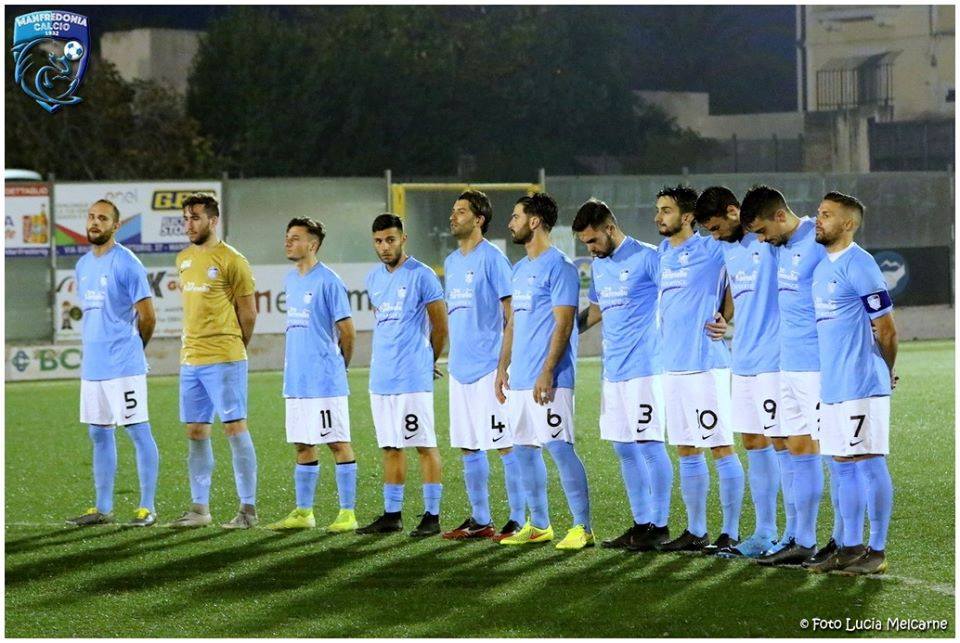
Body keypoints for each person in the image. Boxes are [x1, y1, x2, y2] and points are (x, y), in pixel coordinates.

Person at [572, 198, 673, 551]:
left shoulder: (647, 258)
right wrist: (563, 333)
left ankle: (660, 526)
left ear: (610, 229)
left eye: (593, 240)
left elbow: (677, 296)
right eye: (585, 243)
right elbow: (595, 312)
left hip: (645, 369)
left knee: (650, 446)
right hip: (612, 372)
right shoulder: (600, 266)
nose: (590, 249)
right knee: (624, 448)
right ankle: (641, 524)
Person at [496, 192, 594, 550]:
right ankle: (539, 524)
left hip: (551, 379)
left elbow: (564, 323)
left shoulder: (561, 267)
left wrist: (548, 371)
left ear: (534, 221)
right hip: (520, 378)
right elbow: (512, 325)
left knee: (559, 448)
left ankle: (583, 527)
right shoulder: (519, 269)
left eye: (516, 216)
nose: (511, 223)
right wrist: (502, 367)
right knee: (523, 449)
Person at [806, 192, 896, 575]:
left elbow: (887, 330)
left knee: (869, 462)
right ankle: (850, 546)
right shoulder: (821, 269)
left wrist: (886, 369)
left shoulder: (861, 264)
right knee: (840, 465)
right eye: (818, 213)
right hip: (833, 386)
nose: (818, 219)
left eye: (826, 215)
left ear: (848, 224)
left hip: (861, 384)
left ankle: (877, 550)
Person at [739, 185, 830, 565]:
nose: (761, 240)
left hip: (819, 365)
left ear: (780, 216)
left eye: (762, 231)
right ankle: (801, 539)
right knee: (796, 450)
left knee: (834, 454)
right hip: (788, 366)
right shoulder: (780, 246)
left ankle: (845, 542)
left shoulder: (818, 241)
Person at [654, 185, 745, 554]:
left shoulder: (712, 247)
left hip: (706, 365)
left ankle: (731, 532)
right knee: (687, 449)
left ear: (688, 216)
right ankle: (695, 531)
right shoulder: (661, 253)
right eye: (658, 210)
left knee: (721, 446)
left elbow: (739, 278)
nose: (659, 217)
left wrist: (726, 316)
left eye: (666, 210)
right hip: (671, 367)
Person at [693, 187, 783, 557]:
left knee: (786, 444)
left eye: (716, 227)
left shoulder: (770, 241)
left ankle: (796, 535)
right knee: (753, 442)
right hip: (742, 359)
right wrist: (724, 315)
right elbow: (734, 285)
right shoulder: (727, 248)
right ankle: (764, 532)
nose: (713, 236)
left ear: (734, 212)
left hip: (775, 359)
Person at [167, 193, 260, 529]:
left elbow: (248, 313)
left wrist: (234, 345)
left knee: (234, 428)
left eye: (195, 218)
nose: (189, 224)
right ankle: (199, 509)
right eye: (186, 218)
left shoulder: (232, 260)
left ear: (213, 220)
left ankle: (247, 510)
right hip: (190, 359)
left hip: (224, 357)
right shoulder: (183, 259)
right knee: (195, 430)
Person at [66, 199, 159, 527]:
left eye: (103, 218)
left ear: (116, 226)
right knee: (99, 433)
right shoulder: (82, 265)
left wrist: (135, 349)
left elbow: (148, 317)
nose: (95, 222)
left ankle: (147, 507)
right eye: (91, 217)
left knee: (138, 430)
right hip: (93, 366)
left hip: (123, 365)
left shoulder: (127, 263)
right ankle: (102, 508)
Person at [441, 191, 526, 542]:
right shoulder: (450, 262)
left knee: (504, 443)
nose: (453, 216)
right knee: (468, 445)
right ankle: (480, 519)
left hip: (489, 369)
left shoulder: (493, 259)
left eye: (461, 211)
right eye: (453, 210)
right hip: (459, 370)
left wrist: (504, 366)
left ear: (479, 219)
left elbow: (512, 316)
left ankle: (518, 519)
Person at [357, 214, 448, 537]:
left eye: (390, 240)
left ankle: (432, 516)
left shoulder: (422, 275)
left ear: (403, 239)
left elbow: (440, 327)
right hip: (381, 378)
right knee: (390, 446)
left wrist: (427, 360)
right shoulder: (373, 278)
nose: (384, 247)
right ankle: (392, 514)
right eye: (378, 241)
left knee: (423, 444)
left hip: (412, 378)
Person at [267, 217, 359, 532]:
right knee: (303, 444)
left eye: (295, 237)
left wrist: (339, 366)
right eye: (287, 236)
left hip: (325, 381)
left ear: (313, 244)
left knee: (337, 442)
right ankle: (304, 512)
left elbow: (348, 332)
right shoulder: (291, 279)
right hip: (297, 381)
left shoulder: (329, 281)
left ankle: (347, 513)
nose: (288, 242)